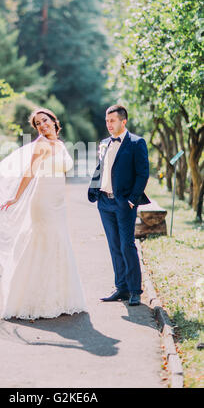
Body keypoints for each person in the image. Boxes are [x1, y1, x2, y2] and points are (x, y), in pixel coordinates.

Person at [0, 107, 87, 320]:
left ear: (54, 121)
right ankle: (32, 299)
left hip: (58, 203)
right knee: (42, 243)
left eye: (45, 120)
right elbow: (29, 173)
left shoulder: (60, 145)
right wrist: (15, 197)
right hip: (42, 202)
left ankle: (61, 297)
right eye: (38, 124)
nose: (43, 125)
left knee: (59, 242)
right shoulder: (41, 145)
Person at [88, 105, 150, 306]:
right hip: (104, 202)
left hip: (124, 203)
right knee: (114, 246)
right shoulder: (104, 142)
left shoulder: (136, 143)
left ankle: (134, 290)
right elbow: (101, 168)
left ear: (123, 121)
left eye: (112, 121)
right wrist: (94, 189)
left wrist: (132, 200)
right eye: (107, 121)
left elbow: (142, 174)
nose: (109, 125)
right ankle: (121, 287)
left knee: (127, 245)